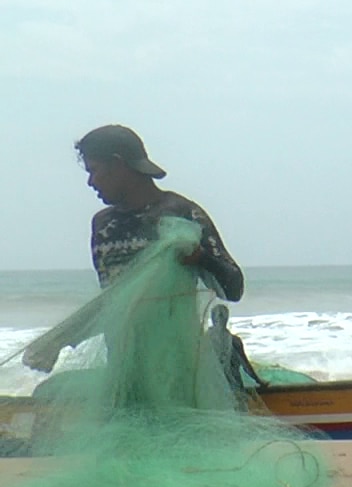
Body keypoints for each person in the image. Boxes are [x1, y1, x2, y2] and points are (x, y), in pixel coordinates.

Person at [28, 126, 246, 372]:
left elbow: (234, 289)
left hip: (178, 369)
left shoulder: (183, 214)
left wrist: (202, 259)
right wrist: (58, 340)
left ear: (118, 165)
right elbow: (114, 304)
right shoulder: (103, 225)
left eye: (94, 171)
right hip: (124, 368)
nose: (90, 182)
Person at [205, 303, 267, 396]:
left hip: (212, 386)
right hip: (233, 387)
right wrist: (259, 381)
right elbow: (245, 365)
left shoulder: (204, 340)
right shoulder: (234, 340)